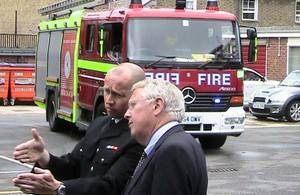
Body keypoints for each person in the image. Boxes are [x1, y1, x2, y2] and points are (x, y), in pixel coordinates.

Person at [12, 63, 145, 195]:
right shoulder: (98, 124)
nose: (109, 100)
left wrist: (60, 188)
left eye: (117, 95)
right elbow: (74, 165)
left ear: (135, 96)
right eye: (106, 91)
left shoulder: (138, 135)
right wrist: (44, 157)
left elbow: (112, 185)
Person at [123, 79, 208, 195]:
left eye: (133, 105)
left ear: (157, 106)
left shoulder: (172, 150)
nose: (126, 114)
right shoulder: (182, 142)